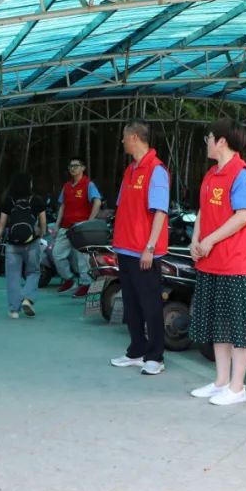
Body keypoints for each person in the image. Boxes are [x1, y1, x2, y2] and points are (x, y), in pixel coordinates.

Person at [188, 118, 246, 405]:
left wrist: (210, 240)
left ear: (221, 141)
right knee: (219, 325)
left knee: (238, 327)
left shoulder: (242, 174)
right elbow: (203, 211)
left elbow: (243, 215)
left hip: (234, 264)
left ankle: (237, 387)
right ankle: (221, 382)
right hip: (210, 261)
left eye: (209, 138)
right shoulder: (211, 174)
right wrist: (196, 239)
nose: (206, 143)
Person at [109, 119, 170, 376]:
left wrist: (150, 247)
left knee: (150, 305)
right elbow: (122, 208)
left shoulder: (156, 170)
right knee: (131, 304)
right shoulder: (130, 170)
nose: (122, 141)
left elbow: (160, 212)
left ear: (134, 137)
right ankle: (136, 350)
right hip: (125, 249)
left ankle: (155, 356)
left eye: (125, 136)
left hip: (143, 251)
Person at [0, 173, 47, 318]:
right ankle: (28, 299)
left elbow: (2, 223)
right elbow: (43, 222)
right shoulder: (36, 199)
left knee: (13, 276)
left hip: (12, 243)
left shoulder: (9, 200)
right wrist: (41, 235)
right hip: (31, 242)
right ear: (29, 184)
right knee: (33, 272)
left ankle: (14, 310)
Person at [51, 157, 102, 297]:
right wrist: (57, 225)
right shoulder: (67, 186)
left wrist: (89, 222)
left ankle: (86, 284)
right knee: (57, 254)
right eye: (70, 166)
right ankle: (69, 279)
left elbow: (97, 202)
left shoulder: (88, 184)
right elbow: (63, 206)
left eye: (76, 165)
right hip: (66, 227)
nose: (73, 168)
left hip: (81, 228)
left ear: (83, 168)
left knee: (82, 258)